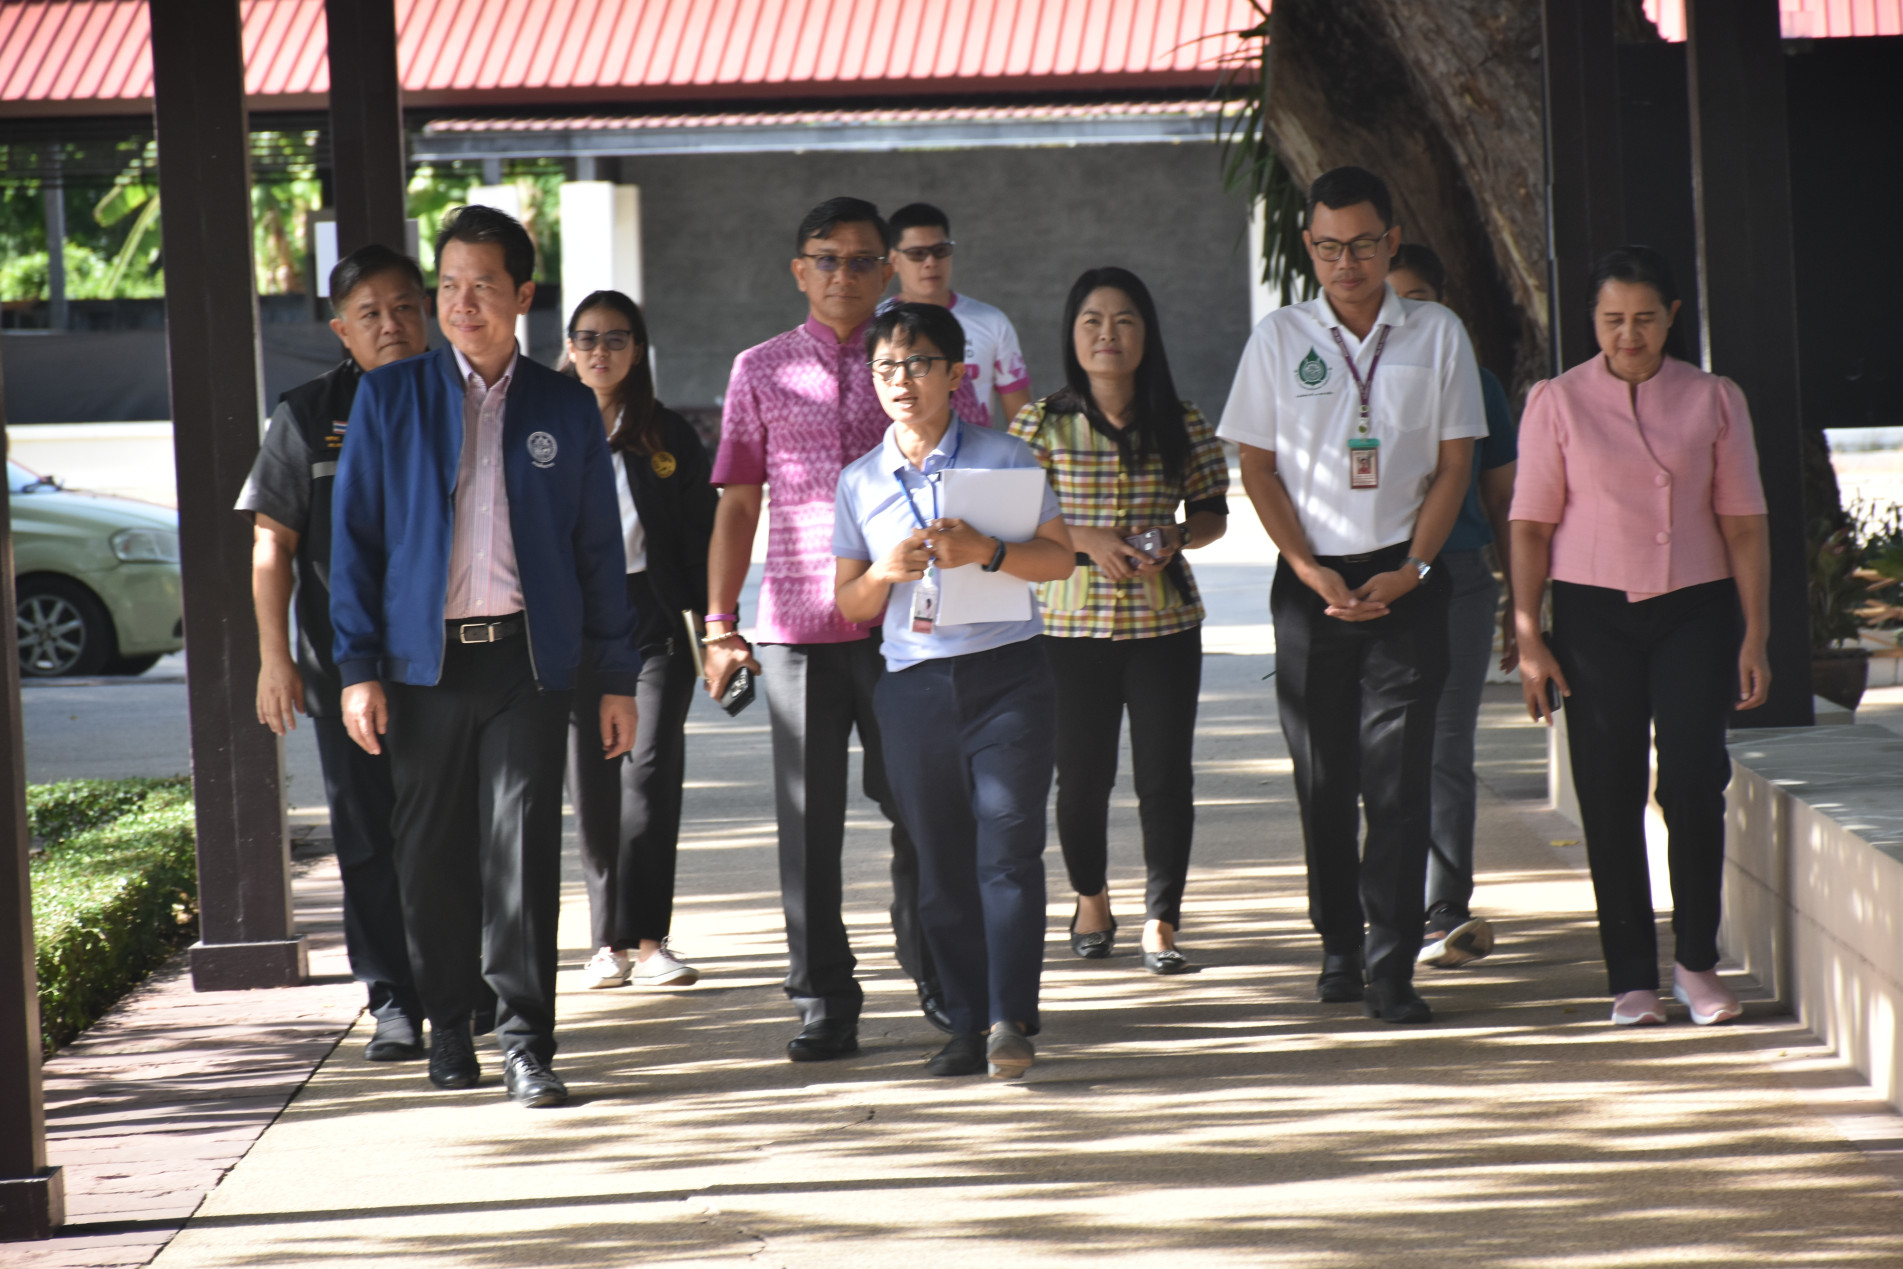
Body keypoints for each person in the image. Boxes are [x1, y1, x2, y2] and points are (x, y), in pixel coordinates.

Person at [331, 205, 640, 1107]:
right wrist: (356, 668)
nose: (462, 303)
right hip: (422, 668)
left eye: (484, 285)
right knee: (427, 855)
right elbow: (354, 545)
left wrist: (614, 676)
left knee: (521, 849)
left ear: (522, 295)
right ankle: (447, 1021)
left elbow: (598, 555)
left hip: (524, 664)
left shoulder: (563, 405)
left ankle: (526, 1041)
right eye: (451, 285)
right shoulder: (389, 398)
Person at [1217, 166, 1485, 1024]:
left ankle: (1389, 962)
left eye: (1362, 245)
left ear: (1389, 242)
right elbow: (1255, 467)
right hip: (1311, 581)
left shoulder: (1435, 333)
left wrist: (1414, 565)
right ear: (1308, 249)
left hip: (1405, 577)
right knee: (1323, 778)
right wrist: (1303, 566)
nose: (1346, 262)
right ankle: (1337, 943)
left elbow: (1454, 464)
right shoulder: (1277, 338)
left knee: (1397, 783)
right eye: (1328, 247)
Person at [703, 196, 947, 1062]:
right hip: (796, 631)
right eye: (826, 259)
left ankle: (937, 970)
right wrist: (719, 624)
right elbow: (737, 504)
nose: (843, 274)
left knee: (921, 808)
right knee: (809, 824)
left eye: (861, 259)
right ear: (798, 270)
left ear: (889, 270)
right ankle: (822, 995)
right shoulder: (760, 369)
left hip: (906, 631)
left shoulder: (918, 363)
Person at [1510, 245, 1769, 1028]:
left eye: (1645, 318)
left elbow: (1744, 527)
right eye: (1612, 319)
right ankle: (1629, 976)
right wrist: (1528, 634)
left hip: (1695, 606)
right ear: (1591, 321)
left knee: (1693, 774)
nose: (1628, 334)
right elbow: (1528, 527)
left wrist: (1754, 633)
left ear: (1672, 319)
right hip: (1593, 615)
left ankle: (1695, 961)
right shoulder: (1554, 401)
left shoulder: (1714, 397)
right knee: (1607, 785)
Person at [833, 302, 1074, 1078]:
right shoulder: (859, 481)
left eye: (917, 364)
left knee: (1006, 847)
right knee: (938, 859)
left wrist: (990, 551)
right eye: (885, 368)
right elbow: (849, 603)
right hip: (912, 686)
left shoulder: (1006, 458)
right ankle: (964, 1022)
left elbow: (1060, 561)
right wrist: (882, 573)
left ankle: (1009, 1019)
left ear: (954, 372)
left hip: (1007, 674)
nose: (900, 380)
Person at [236, 244, 428, 1062]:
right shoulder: (306, 413)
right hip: (346, 667)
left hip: (454, 659)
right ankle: (391, 996)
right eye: (370, 313)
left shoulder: (461, 399)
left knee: (461, 830)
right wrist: (274, 658)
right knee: (367, 832)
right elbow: (272, 544)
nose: (391, 325)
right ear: (339, 328)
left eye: (404, 307)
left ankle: (473, 983)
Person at [1009, 267, 1228, 975]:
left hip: (1163, 624)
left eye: (1124, 320)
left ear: (1146, 333)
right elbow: (1015, 526)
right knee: (1081, 777)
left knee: (1165, 778)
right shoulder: (1038, 423)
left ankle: (1162, 920)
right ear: (1072, 337)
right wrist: (1085, 539)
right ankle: (1090, 896)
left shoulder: (1181, 417)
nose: (1108, 334)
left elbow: (1211, 513)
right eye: (1092, 321)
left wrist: (1177, 538)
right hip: (1066, 628)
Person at [560, 290, 717, 992]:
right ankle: (605, 944)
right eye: (587, 338)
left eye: (616, 338)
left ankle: (649, 940)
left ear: (637, 348)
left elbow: (702, 534)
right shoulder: (543, 427)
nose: (600, 351)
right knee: (593, 782)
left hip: (650, 618)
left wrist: (718, 624)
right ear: (568, 346)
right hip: (571, 624)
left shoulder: (666, 434)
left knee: (647, 772)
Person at [1386, 243, 1518, 969]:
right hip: (1373, 585)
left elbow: (1501, 500)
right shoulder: (1353, 386)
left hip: (1461, 579)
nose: (1408, 314)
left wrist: (1518, 604)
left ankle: (1445, 911)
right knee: (1380, 750)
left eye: (1421, 299)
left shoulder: (1479, 384)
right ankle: (1385, 907)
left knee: (1445, 751)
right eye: (1394, 300)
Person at [884, 202, 1031, 427]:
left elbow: (1022, 420)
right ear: (894, 260)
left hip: (978, 459)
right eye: (917, 254)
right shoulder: (877, 324)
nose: (930, 262)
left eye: (940, 251)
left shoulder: (992, 322)